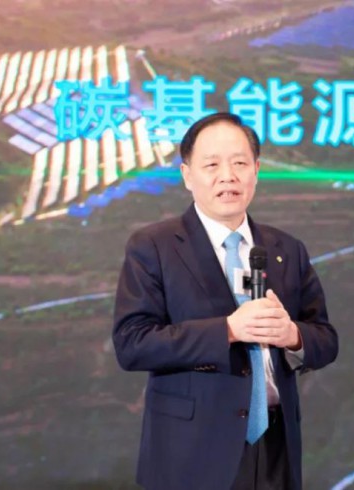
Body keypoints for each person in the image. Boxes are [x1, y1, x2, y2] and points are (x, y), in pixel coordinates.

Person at [112, 112, 338, 490]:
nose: (228, 176)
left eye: (239, 164)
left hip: (275, 446)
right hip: (191, 450)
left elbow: (326, 339)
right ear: (187, 175)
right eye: (212, 165)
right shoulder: (154, 246)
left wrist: (292, 335)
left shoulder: (286, 249)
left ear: (256, 171)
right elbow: (132, 344)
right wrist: (228, 330)